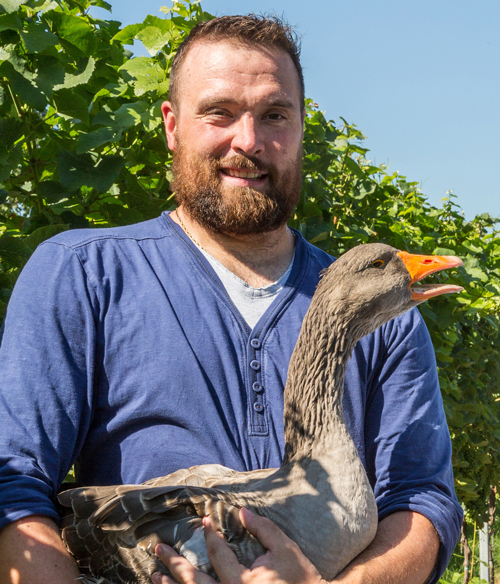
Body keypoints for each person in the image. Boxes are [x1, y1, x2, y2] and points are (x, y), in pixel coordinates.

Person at [0, 15, 461, 584]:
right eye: (219, 112)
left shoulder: (383, 312)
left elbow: (422, 501)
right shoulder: (82, 272)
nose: (248, 141)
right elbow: (13, 481)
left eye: (274, 115)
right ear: (172, 124)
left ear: (298, 128)